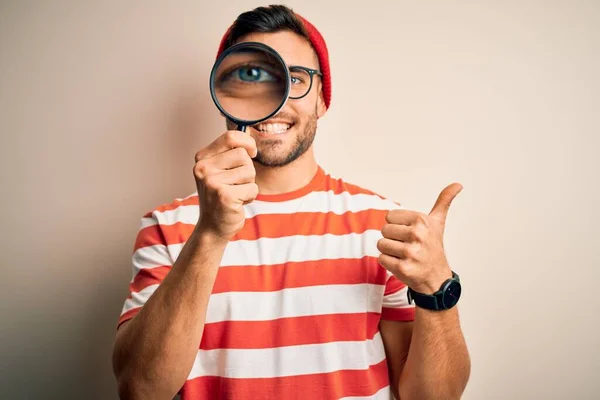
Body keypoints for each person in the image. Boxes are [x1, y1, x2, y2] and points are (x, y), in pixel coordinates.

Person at [111, 5, 471, 400]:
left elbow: (432, 397)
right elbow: (140, 390)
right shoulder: (168, 228)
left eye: (295, 78)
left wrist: (438, 290)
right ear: (221, 95)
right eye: (251, 75)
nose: (276, 101)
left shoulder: (381, 226)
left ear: (322, 99)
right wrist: (210, 233)